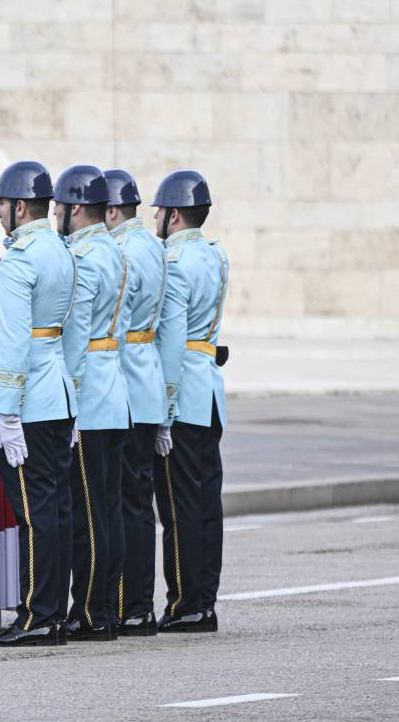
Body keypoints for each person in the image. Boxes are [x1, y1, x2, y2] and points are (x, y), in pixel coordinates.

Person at [0, 160, 77, 649]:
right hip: (56, 396)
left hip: (27, 404)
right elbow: (71, 334)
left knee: (34, 514)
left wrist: (7, 410)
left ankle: (36, 615)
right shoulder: (61, 250)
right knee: (54, 509)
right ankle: (53, 612)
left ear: (19, 206)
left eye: (0, 203)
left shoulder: (19, 260)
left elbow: (13, 341)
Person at [56, 163, 131, 642]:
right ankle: (104, 605)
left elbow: (76, 337)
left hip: (91, 397)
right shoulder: (114, 249)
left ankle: (89, 611)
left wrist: (71, 402)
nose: (56, 214)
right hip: (116, 389)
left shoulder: (84, 257)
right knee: (108, 509)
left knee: (87, 514)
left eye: (60, 207)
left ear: (77, 208)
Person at [153, 169, 229, 634]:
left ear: (174, 215)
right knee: (205, 504)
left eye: (159, 212)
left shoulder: (175, 263)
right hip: (210, 391)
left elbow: (171, 342)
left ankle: (185, 604)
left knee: (178, 508)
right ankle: (205, 599)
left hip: (183, 396)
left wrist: (163, 408)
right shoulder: (217, 256)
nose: (155, 219)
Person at [104, 168, 167, 636]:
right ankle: (141, 603)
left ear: (110, 211)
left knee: (123, 501)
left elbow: (117, 326)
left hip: (124, 379)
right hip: (149, 379)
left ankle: (130, 602)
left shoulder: (121, 251)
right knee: (139, 501)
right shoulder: (154, 246)